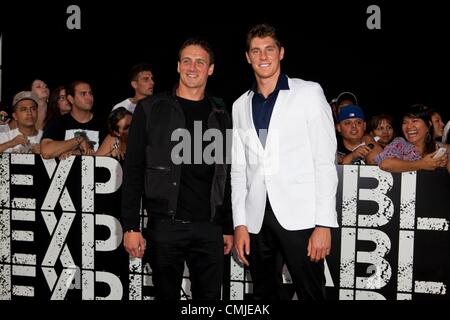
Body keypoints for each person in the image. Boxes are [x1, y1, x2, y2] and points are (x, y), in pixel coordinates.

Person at [231, 24, 338, 300]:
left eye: (269, 49)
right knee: (264, 295)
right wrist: (240, 224)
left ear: (281, 53)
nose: (263, 56)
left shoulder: (309, 93)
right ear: (247, 57)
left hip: (302, 217)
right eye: (256, 50)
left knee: (312, 294)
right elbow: (239, 169)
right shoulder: (240, 105)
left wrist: (324, 224)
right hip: (257, 220)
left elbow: (324, 162)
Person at [121, 38, 233, 300]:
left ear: (211, 69)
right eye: (187, 61)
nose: (192, 67)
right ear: (178, 66)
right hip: (165, 227)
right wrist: (130, 226)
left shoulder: (221, 115)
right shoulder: (150, 109)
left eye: (200, 62)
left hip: (209, 228)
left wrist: (226, 225)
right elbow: (134, 169)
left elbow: (226, 175)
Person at [40, 80, 104, 159]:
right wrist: (78, 140)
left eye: (90, 93)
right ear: (71, 99)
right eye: (83, 94)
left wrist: (79, 152)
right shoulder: (58, 122)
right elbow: (46, 152)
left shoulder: (103, 123)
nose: (89, 97)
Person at [375, 104, 448, 173]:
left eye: (414, 121)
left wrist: (441, 166)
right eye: (405, 122)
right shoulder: (400, 144)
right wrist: (422, 164)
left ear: (428, 125)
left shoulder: (436, 148)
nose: (409, 126)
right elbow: (385, 164)